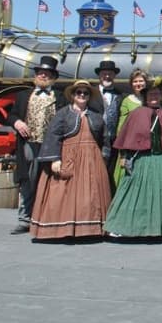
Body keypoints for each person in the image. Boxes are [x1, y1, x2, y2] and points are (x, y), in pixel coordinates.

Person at [30, 79, 112, 240]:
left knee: (90, 195)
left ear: (89, 96)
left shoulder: (96, 116)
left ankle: (90, 229)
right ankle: (62, 229)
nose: (82, 95)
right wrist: (55, 159)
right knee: (63, 193)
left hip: (92, 159)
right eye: (78, 92)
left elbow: (105, 138)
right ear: (73, 95)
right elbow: (53, 136)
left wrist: (104, 156)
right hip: (69, 157)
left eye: (85, 93)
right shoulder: (62, 114)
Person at [104, 77, 162, 239]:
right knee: (135, 195)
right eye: (150, 95)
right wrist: (124, 156)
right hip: (143, 160)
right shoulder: (136, 114)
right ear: (145, 97)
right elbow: (127, 136)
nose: (154, 97)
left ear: (161, 95)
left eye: (156, 94)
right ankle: (124, 227)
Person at [7, 56, 66, 234]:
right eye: (40, 73)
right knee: (28, 180)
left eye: (47, 74)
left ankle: (46, 218)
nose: (43, 76)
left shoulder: (61, 97)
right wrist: (17, 122)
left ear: (53, 77)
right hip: (29, 143)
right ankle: (24, 219)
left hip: (51, 145)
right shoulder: (23, 95)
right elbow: (11, 115)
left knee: (51, 180)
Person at [112, 70, 149, 188]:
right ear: (131, 84)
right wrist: (123, 154)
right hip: (131, 147)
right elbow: (121, 129)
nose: (138, 84)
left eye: (141, 81)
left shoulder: (151, 99)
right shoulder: (127, 101)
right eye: (135, 81)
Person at [91, 60, 123, 178]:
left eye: (110, 74)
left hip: (113, 141)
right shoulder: (89, 93)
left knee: (109, 173)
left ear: (114, 76)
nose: (107, 76)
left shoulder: (120, 95)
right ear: (99, 75)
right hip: (95, 139)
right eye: (104, 73)